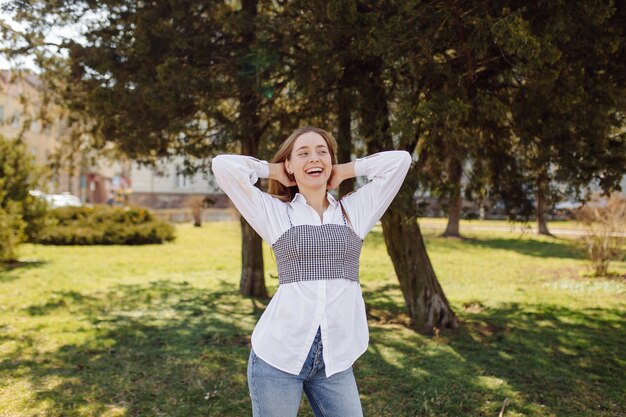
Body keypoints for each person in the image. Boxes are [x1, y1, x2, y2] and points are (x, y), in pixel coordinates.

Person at [211, 126, 411, 417]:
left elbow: (400, 161)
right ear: (289, 165)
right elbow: (223, 166)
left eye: (322, 152)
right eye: (302, 153)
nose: (313, 158)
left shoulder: (354, 211)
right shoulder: (276, 214)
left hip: (334, 361)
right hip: (278, 358)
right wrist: (273, 171)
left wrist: (345, 170)